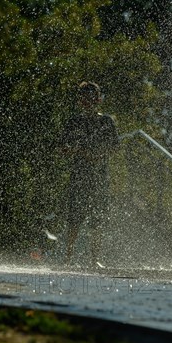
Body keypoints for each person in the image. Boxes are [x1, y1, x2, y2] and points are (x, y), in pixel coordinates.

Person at [62, 81, 119, 266]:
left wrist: (99, 155)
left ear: (98, 99)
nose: (89, 101)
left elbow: (115, 147)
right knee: (75, 217)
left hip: (100, 176)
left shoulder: (106, 121)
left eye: (93, 98)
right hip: (79, 175)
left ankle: (94, 259)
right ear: (80, 100)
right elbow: (62, 148)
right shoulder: (74, 121)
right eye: (85, 98)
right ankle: (68, 258)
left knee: (98, 218)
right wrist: (80, 151)